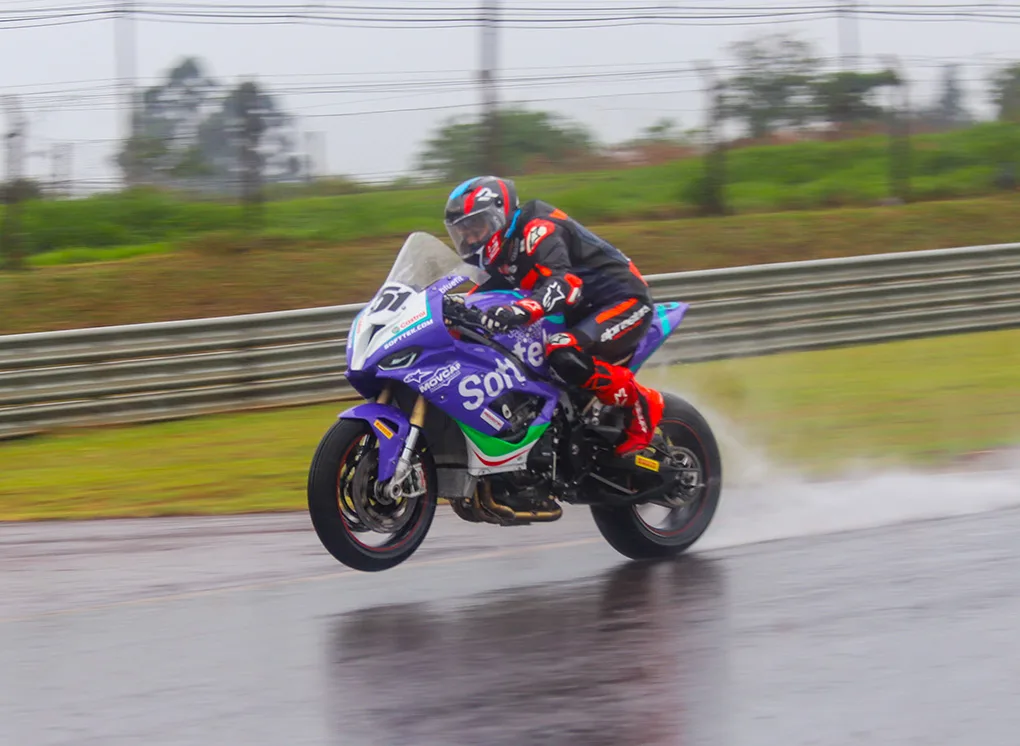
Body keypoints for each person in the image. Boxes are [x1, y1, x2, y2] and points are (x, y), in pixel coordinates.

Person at [443, 175, 663, 456]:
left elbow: (564, 283)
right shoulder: (502, 252)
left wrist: (520, 310)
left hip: (622, 302)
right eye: (464, 233)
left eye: (477, 228)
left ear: (500, 214)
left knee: (562, 351)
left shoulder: (539, 230)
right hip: (576, 314)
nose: (472, 239)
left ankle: (640, 402)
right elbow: (483, 293)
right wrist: (451, 310)